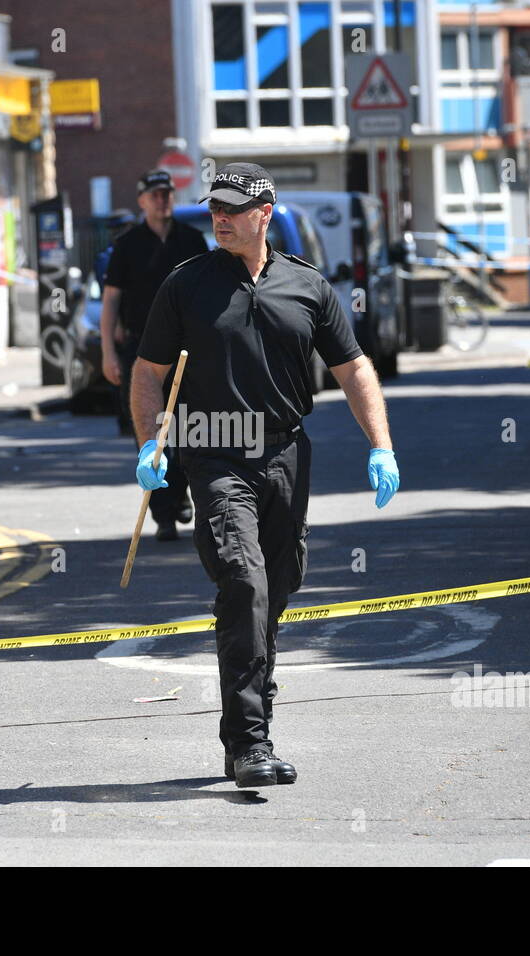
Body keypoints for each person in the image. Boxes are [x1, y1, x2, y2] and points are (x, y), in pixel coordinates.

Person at [129, 162, 401, 788]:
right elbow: (148, 371)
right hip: (213, 452)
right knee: (244, 581)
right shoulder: (186, 285)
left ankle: (254, 710)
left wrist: (381, 446)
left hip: (285, 455)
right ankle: (249, 743)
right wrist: (150, 443)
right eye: (214, 207)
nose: (219, 218)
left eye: (232, 208)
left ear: (265, 213)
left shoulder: (307, 286)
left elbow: (353, 367)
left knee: (274, 589)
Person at [101, 169, 208, 540]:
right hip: (142, 352)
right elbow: (110, 301)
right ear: (142, 201)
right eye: (155, 194)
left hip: (188, 350)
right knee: (150, 430)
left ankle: (180, 490)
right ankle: (164, 512)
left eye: (167, 193)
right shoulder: (128, 245)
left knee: (189, 428)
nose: (163, 200)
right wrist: (108, 352)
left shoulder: (192, 240)